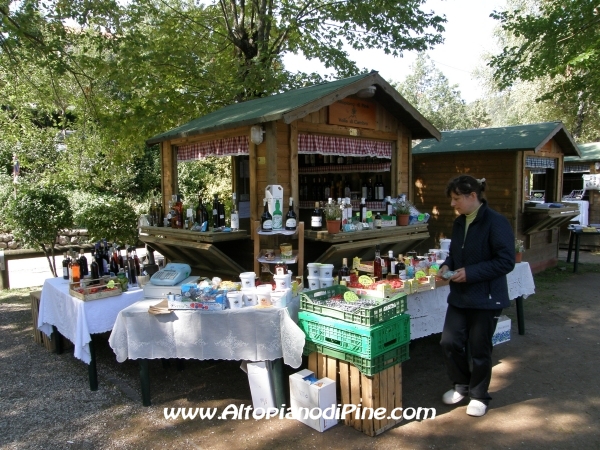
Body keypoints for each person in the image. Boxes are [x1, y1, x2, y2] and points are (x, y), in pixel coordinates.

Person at [437, 175, 515, 417]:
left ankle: (480, 395)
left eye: (456, 199)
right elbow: (454, 254)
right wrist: (445, 265)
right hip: (460, 296)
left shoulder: (496, 222)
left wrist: (470, 273)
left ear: (473, 196)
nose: (453, 204)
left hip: (486, 297)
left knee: (480, 348)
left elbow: (506, 261)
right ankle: (461, 384)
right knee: (449, 342)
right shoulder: (460, 222)